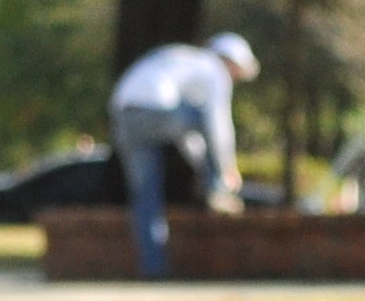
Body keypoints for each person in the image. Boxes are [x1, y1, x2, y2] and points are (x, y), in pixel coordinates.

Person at [110, 33, 257, 279]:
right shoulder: (214, 69)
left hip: (124, 118)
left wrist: (202, 166)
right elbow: (218, 126)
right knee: (204, 117)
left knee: (145, 194)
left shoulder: (186, 60)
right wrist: (225, 170)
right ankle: (217, 190)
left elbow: (188, 138)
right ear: (231, 61)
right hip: (154, 112)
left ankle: (153, 268)